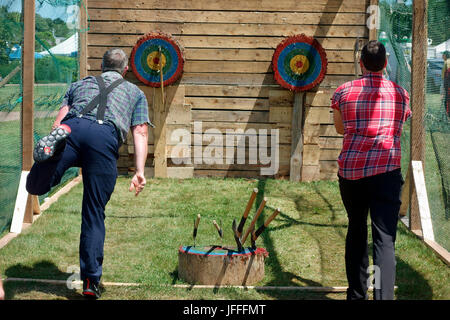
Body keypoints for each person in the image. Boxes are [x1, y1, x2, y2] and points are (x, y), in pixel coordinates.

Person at [26, 48, 152, 299]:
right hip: (104, 137)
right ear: (125, 69)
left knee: (36, 187)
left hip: (72, 128)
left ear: (102, 66)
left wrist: (59, 135)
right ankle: (90, 282)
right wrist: (139, 171)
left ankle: (42, 169)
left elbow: (59, 121)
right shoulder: (135, 93)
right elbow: (140, 132)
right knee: (93, 212)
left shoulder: (81, 83)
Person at [331, 40, 411, 300]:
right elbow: (400, 123)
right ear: (386, 63)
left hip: (352, 173)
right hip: (386, 172)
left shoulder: (343, 92)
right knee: (384, 238)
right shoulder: (400, 93)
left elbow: (340, 129)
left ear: (361, 63)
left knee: (356, 229)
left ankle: (356, 295)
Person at [442, 51, 450, 117]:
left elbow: (446, 74)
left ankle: (448, 116)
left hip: (447, 84)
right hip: (447, 84)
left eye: (443, 55)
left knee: (447, 101)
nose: (442, 56)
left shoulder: (447, 62)